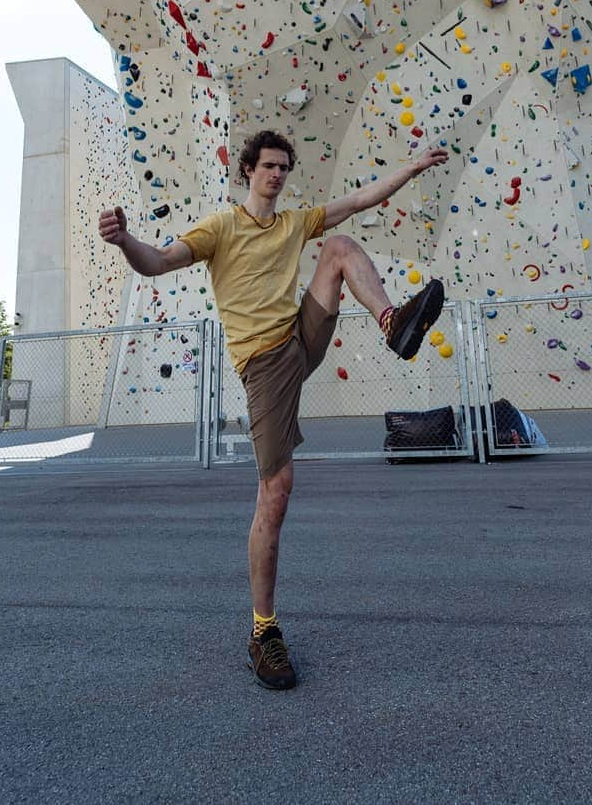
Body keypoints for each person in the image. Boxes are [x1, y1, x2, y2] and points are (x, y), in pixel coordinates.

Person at [98, 129, 447, 691]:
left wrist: (412, 168)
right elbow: (158, 262)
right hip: (263, 365)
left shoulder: (294, 223)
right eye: (268, 166)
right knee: (276, 492)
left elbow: (360, 199)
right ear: (248, 171)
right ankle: (263, 631)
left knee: (340, 247)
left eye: (285, 166)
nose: (278, 175)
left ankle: (393, 324)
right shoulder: (220, 227)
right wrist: (124, 241)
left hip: (298, 338)